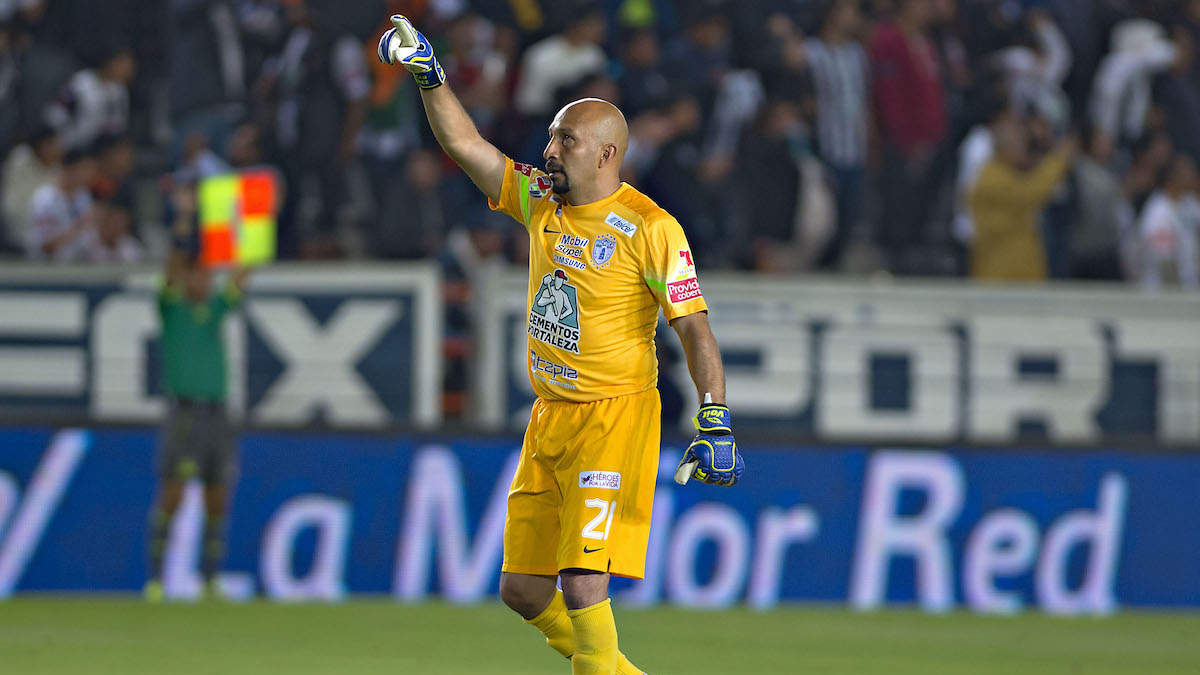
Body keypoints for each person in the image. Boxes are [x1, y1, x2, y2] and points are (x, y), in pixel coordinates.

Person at [379, 14, 744, 674]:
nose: (549, 150)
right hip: (550, 416)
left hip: (615, 416)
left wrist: (713, 415)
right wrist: (430, 75)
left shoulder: (651, 228)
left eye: (565, 140)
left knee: (581, 582)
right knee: (522, 590)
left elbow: (694, 326)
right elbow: (466, 145)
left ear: (606, 154)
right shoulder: (541, 201)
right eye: (550, 135)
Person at [144, 185, 250, 602]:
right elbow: (171, 269)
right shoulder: (172, 308)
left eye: (207, 274)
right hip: (185, 413)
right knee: (171, 494)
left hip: (218, 414)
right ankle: (156, 578)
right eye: (198, 274)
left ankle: (209, 579)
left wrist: (250, 221)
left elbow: (242, 273)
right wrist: (185, 223)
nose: (203, 280)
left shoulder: (216, 309)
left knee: (218, 497)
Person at [967, 120, 1074, 281]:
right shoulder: (993, 178)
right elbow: (1030, 193)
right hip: (1001, 272)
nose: (1024, 150)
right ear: (1006, 147)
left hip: (1014, 269)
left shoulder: (1004, 174)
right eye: (1021, 144)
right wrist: (1058, 160)